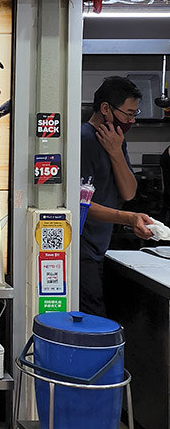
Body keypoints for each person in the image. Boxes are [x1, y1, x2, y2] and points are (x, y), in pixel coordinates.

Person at [80, 76, 153, 316]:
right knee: (93, 317)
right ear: (105, 108)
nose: (132, 120)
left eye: (135, 113)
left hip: (101, 246)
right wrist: (129, 219)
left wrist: (116, 153)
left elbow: (129, 192)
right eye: (128, 113)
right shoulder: (85, 140)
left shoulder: (116, 141)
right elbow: (80, 205)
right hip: (83, 248)